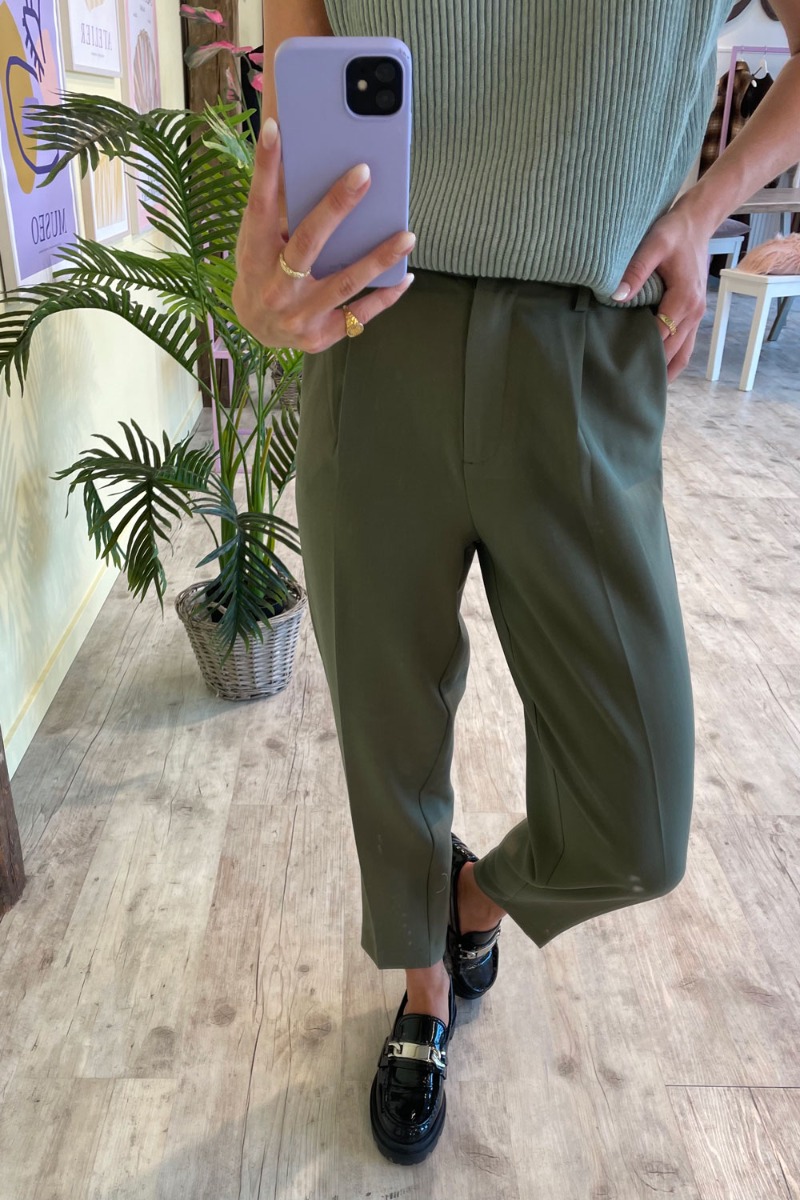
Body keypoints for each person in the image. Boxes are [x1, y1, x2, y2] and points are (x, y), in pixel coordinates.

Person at [233, 0, 800, 1166]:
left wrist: (705, 205)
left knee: (637, 822)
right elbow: (303, 93)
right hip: (375, 331)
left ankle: (468, 900)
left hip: (590, 342)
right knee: (385, 726)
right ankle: (423, 988)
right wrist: (271, 275)